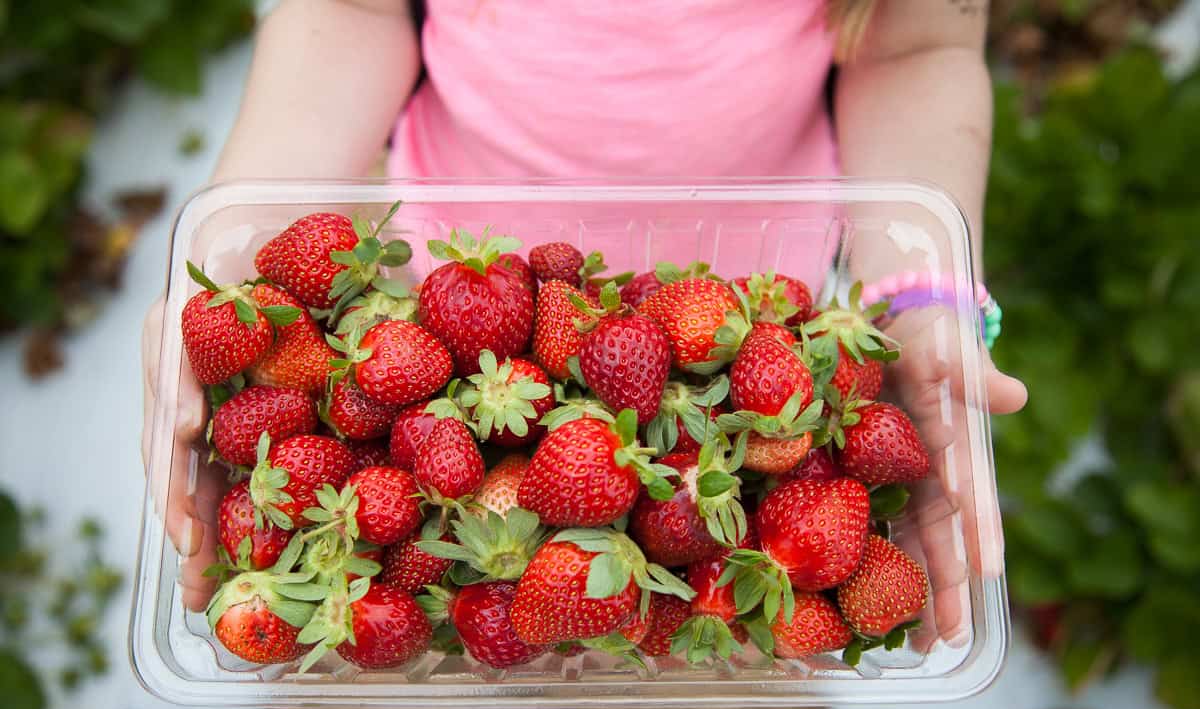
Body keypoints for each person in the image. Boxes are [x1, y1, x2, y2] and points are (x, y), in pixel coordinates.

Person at [142, 0, 1027, 650]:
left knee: (690, 538)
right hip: (451, 295)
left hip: (744, 329)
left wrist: (919, 300)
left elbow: (916, 47)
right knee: (473, 487)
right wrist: (237, 268)